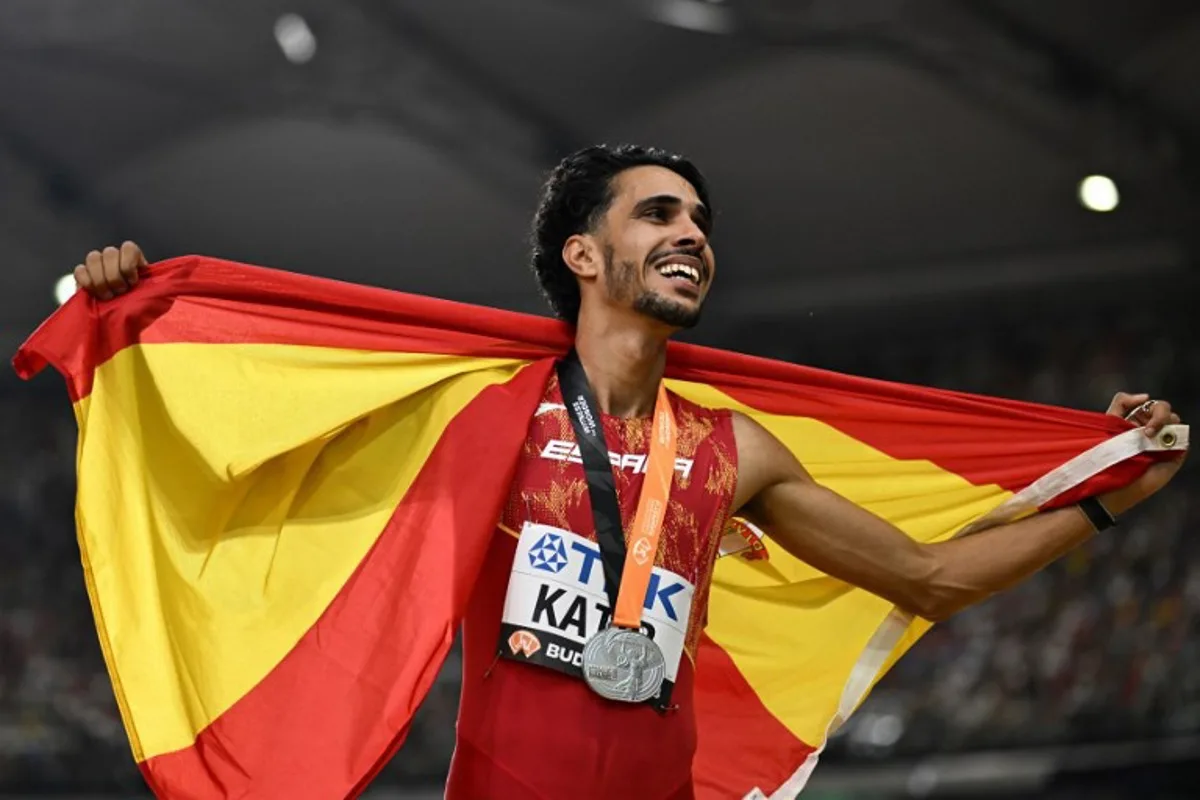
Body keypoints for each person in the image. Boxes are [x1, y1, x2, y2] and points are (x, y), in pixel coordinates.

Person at [73, 144, 1184, 799]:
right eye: (659, 213)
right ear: (585, 256)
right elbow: (262, 441)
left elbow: (931, 577)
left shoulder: (734, 448)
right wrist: (139, 316)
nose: (692, 232)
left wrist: (1105, 496)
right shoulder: (482, 414)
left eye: (700, 219)